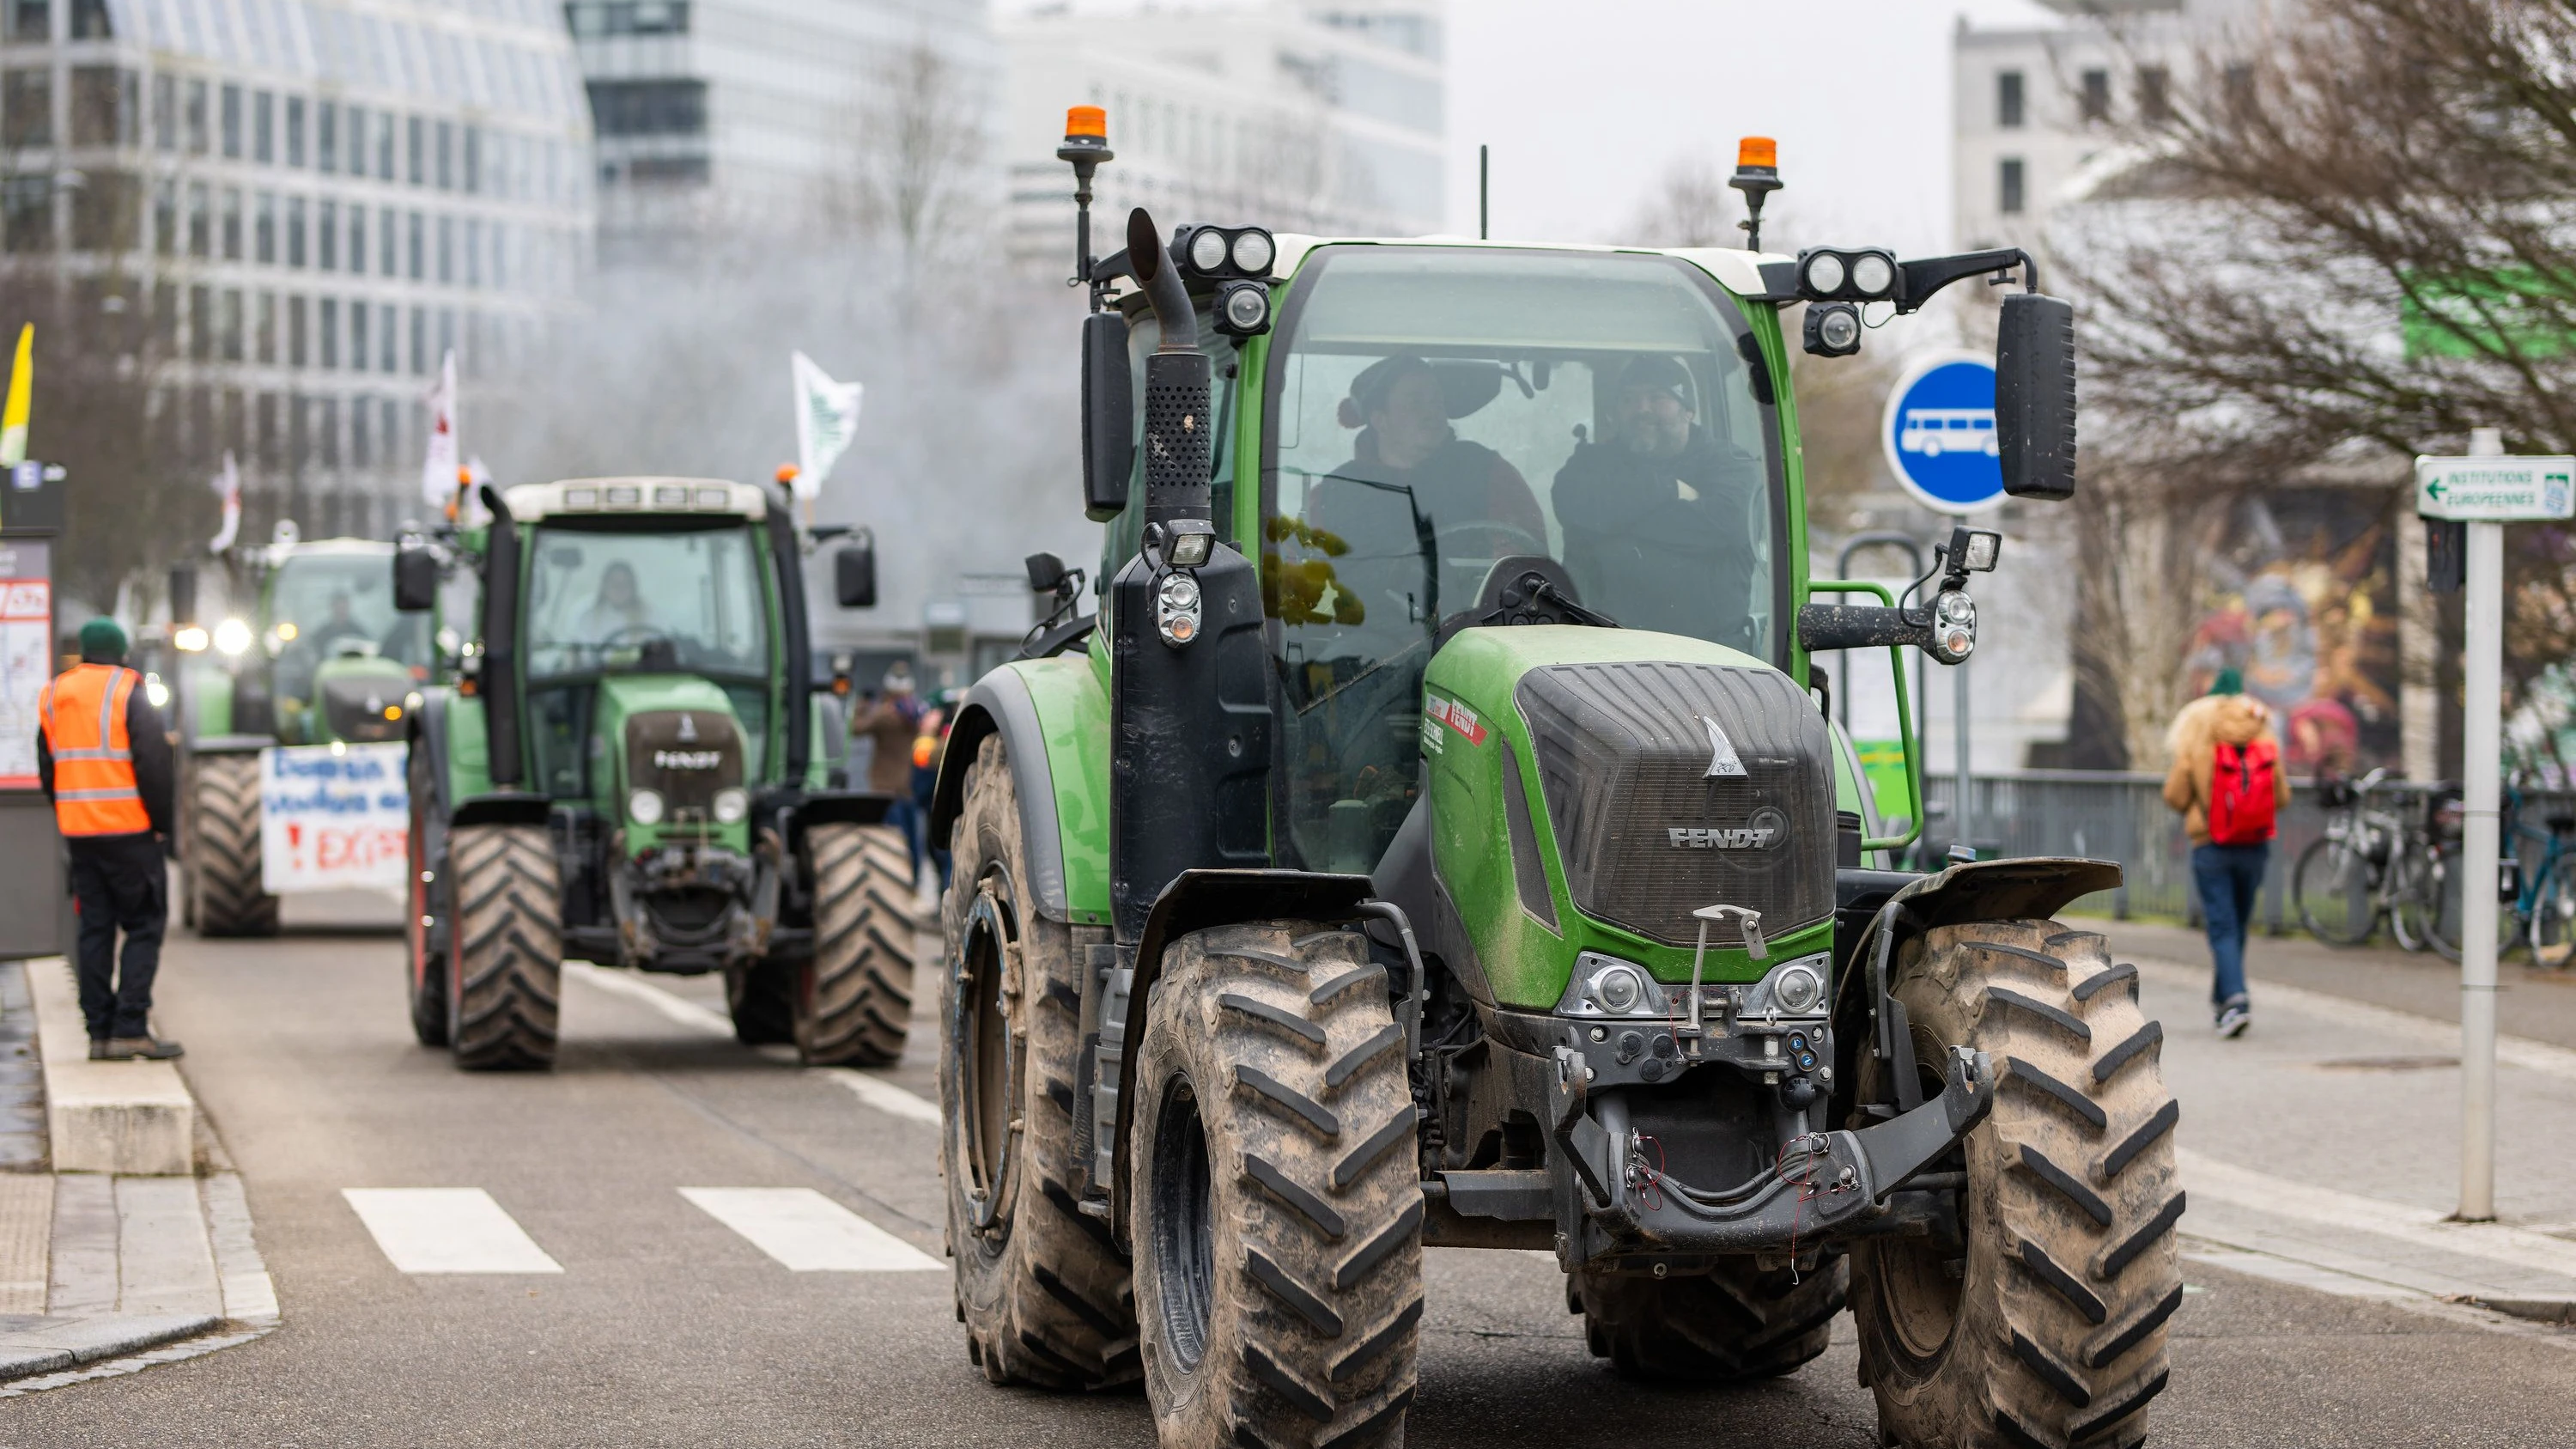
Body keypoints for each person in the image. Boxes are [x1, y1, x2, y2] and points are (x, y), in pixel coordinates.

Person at [36, 618, 181, 1061]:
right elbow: (154, 764)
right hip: (130, 832)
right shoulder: (127, 691)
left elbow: (47, 767)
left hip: (81, 834)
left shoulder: (55, 694)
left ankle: (98, 1032)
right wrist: (162, 823)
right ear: (121, 652)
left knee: (94, 929)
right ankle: (130, 1027)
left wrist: (70, 810)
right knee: (144, 925)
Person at [1553, 354, 1768, 647]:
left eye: (1657, 397)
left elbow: (1728, 525)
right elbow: (1570, 503)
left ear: (1688, 411)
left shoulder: (1731, 465)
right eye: (1629, 399)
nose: (1642, 409)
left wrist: (1613, 522)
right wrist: (1669, 489)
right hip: (1598, 649)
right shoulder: (1589, 464)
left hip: (1711, 654)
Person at [2163, 667, 2290, 1038]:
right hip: (2254, 846)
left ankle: (2235, 1000)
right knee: (2237, 923)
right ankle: (2224, 1001)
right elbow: (2282, 797)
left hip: (2211, 846)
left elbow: (2174, 796)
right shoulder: (2262, 734)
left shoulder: (2199, 735)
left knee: (2222, 925)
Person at [850, 664, 927, 882]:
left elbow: (856, 728)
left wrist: (862, 706)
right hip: (908, 788)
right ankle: (914, 883)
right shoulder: (917, 715)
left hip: (885, 790)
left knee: (891, 841)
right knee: (913, 843)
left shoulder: (885, 716)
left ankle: (898, 884)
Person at [578, 562, 652, 642]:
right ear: (604, 586)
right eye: (614, 583)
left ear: (633, 587)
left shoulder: (649, 618)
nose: (619, 588)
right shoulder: (588, 619)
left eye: (625, 583)